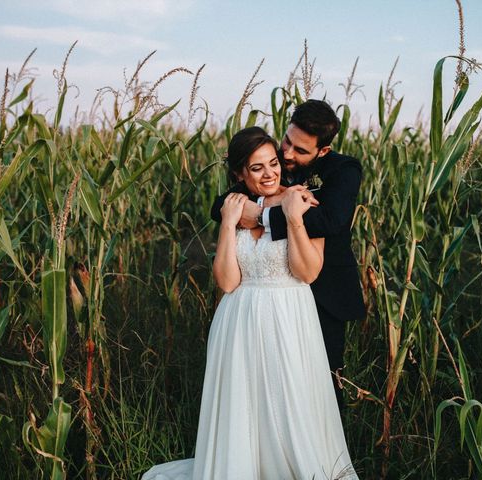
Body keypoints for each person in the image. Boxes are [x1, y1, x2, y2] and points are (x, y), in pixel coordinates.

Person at [142, 127, 357, 479]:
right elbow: (227, 281)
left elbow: (308, 272)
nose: (270, 173)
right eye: (257, 168)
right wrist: (228, 225)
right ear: (239, 173)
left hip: (288, 315)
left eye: (273, 163)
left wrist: (292, 218)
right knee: (243, 405)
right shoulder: (234, 207)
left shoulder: (301, 199)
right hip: (238, 320)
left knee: (287, 401)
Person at [211, 100, 365, 409]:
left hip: (324, 292)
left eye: (300, 150)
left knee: (321, 384)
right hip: (262, 299)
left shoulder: (343, 170)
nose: (288, 154)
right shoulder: (272, 160)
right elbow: (220, 206)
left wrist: (262, 215)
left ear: (322, 151)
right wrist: (240, 211)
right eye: (287, 141)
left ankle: (323, 455)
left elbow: (330, 220)